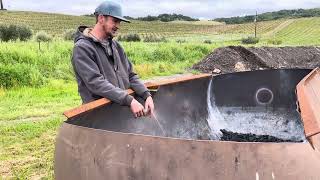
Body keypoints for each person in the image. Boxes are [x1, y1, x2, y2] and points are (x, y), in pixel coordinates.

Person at [71, 1, 154, 118]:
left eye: (119, 22)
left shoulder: (117, 47)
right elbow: (96, 83)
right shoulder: (82, 48)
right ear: (101, 18)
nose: (118, 25)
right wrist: (129, 100)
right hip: (99, 114)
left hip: (120, 112)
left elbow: (131, 75)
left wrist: (147, 95)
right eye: (114, 20)